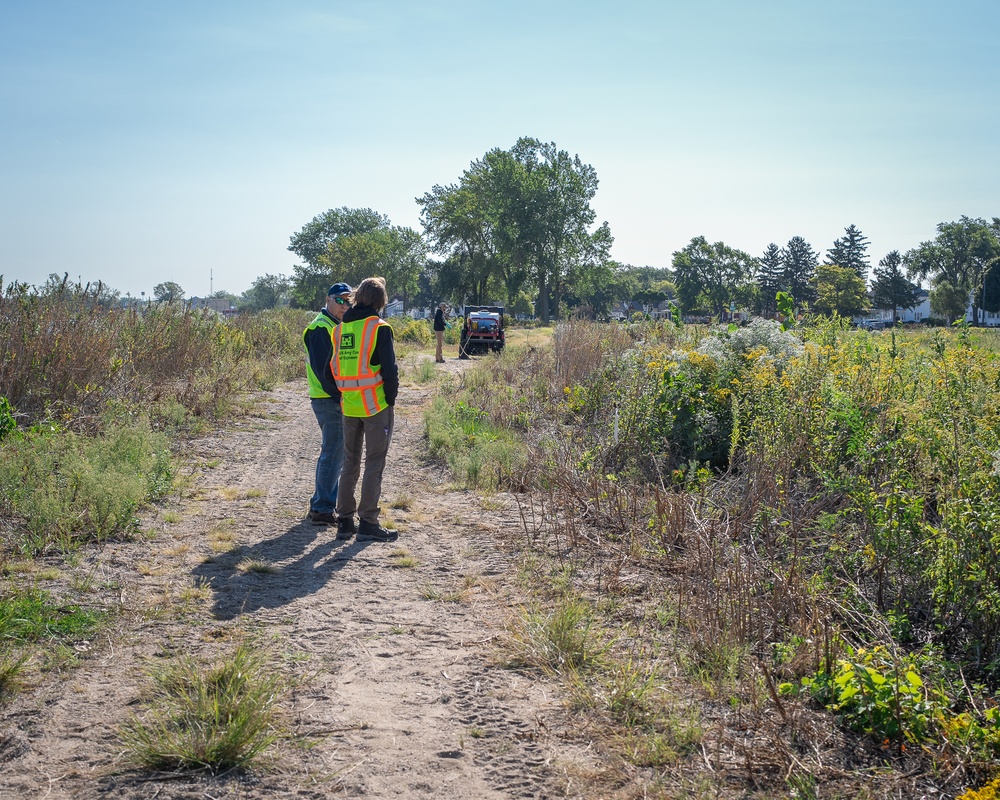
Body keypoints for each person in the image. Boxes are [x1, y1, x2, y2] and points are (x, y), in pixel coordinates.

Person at [333, 276, 400, 542]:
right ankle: (368, 522)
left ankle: (345, 521)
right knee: (374, 461)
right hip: (375, 405)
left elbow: (334, 367)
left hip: (349, 404)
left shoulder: (340, 329)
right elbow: (390, 370)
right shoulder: (379, 328)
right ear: (381, 302)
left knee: (349, 462)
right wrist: (391, 399)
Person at [303, 282, 353, 530]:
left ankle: (321, 504)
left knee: (335, 452)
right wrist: (340, 395)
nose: (345, 305)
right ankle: (322, 508)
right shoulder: (320, 328)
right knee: (333, 451)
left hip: (331, 397)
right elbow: (323, 371)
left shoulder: (335, 326)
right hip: (327, 397)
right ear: (328, 300)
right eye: (341, 300)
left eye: (349, 301)